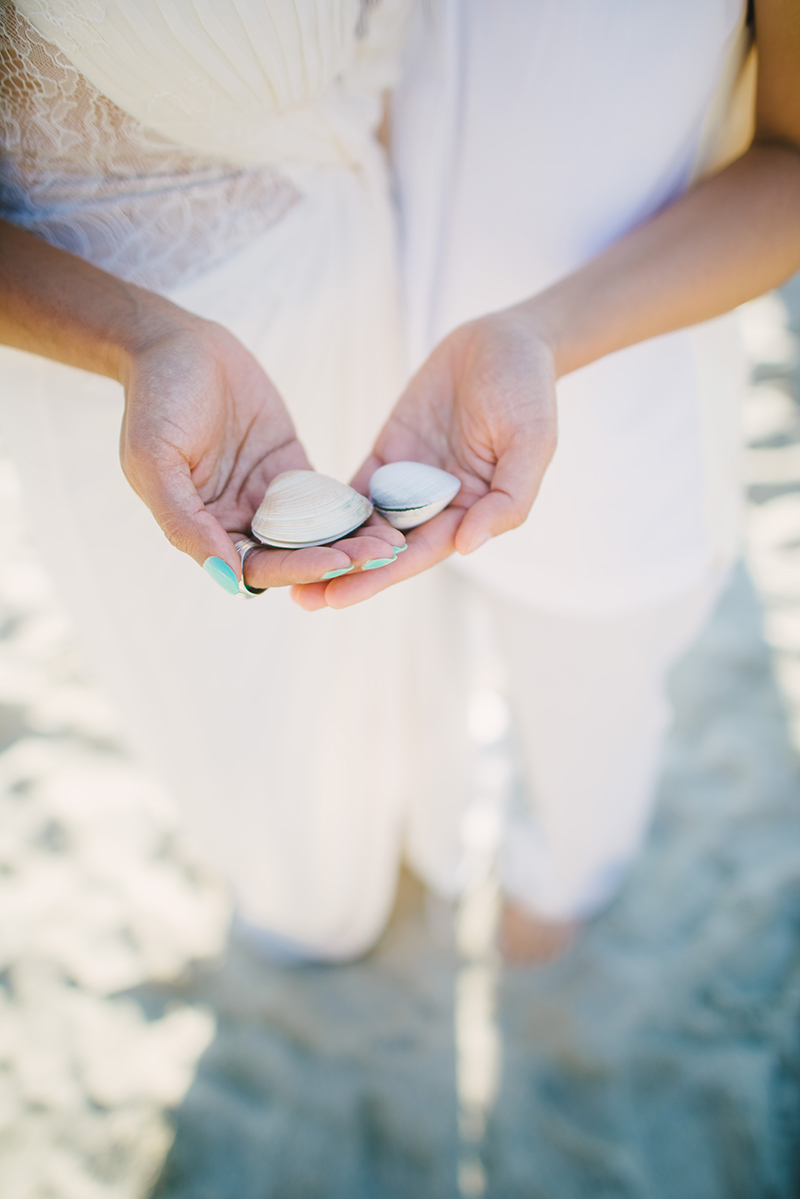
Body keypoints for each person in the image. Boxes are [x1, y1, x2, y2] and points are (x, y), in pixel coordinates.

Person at [1, 0, 799, 963]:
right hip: (379, 369)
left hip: (602, 387)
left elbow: (789, 156)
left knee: (590, 691)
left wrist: (544, 334)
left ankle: (565, 873)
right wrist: (140, 337)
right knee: (418, 670)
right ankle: (440, 839)